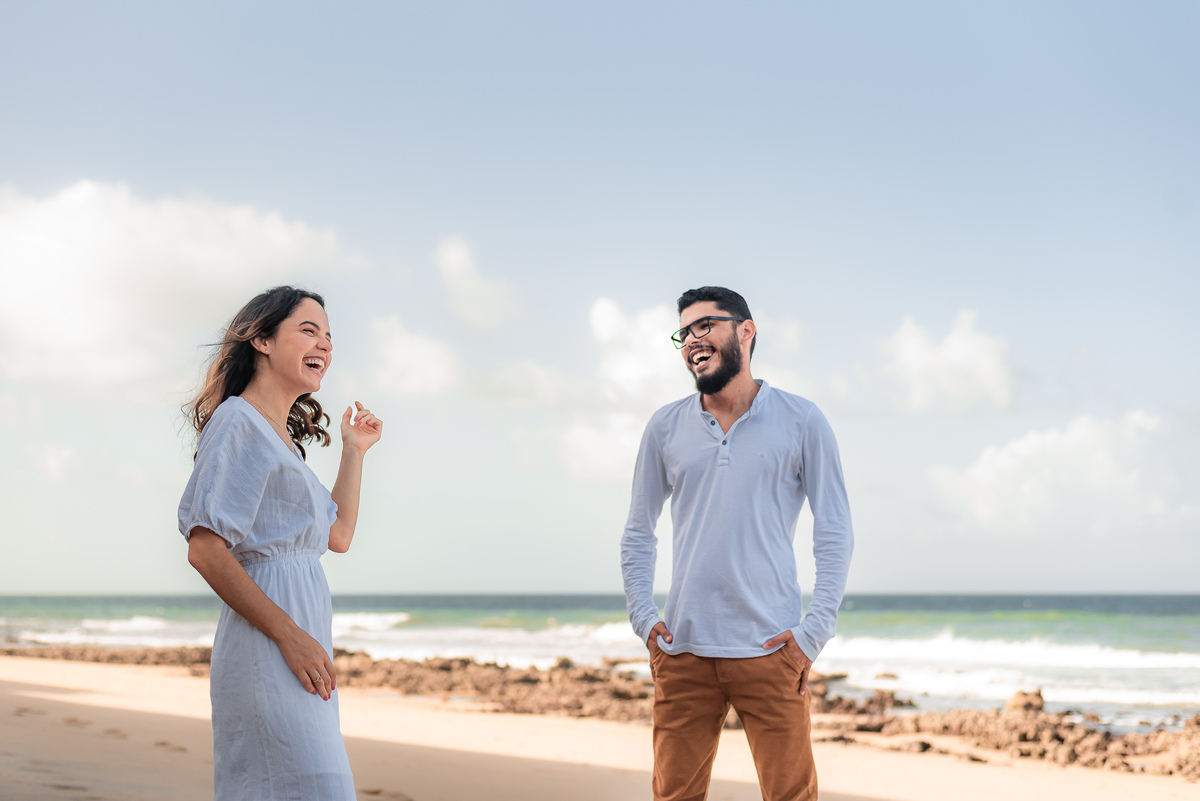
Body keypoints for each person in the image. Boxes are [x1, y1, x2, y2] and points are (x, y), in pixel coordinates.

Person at [621, 286, 853, 801]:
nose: (692, 340)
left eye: (706, 325)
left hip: (773, 652)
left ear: (745, 331)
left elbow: (834, 529)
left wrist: (813, 633)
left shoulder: (802, 419)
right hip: (683, 652)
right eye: (685, 332)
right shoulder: (664, 426)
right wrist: (644, 620)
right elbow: (639, 531)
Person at [178, 286, 383, 800]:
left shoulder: (281, 440)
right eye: (309, 330)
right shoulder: (238, 422)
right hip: (270, 642)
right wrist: (290, 636)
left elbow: (337, 537)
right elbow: (205, 548)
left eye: (330, 338)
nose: (326, 346)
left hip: (303, 642)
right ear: (263, 340)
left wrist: (355, 451)